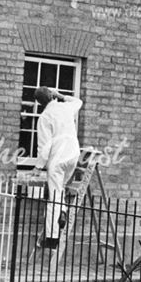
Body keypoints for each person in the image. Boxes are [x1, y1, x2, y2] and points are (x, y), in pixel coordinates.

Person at [34, 87, 83, 249]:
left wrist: (38, 167)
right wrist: (61, 95)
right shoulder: (65, 107)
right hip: (73, 155)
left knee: (53, 197)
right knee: (60, 189)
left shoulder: (45, 117)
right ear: (52, 96)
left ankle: (52, 238)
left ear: (40, 103)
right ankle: (62, 211)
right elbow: (78, 101)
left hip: (57, 159)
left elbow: (45, 146)